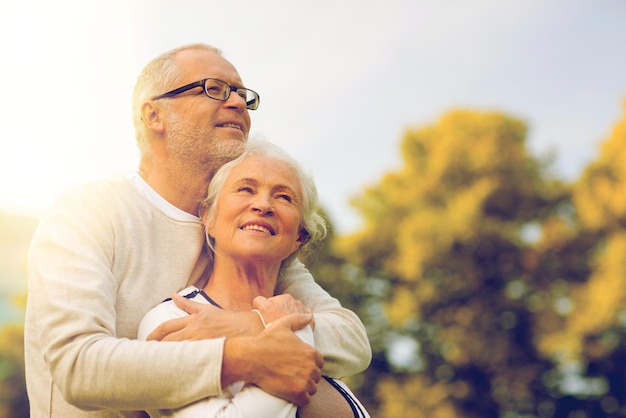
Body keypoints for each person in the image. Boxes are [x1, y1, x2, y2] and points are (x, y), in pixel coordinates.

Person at [24, 43, 371, 418]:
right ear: (154, 114)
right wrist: (242, 357)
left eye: (241, 94)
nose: (238, 102)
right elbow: (78, 366)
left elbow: (350, 339)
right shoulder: (89, 211)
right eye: (214, 89)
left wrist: (247, 325)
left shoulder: (243, 236)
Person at [137, 139, 369, 417]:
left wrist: (265, 325)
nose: (263, 205)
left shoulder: (304, 317)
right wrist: (290, 333)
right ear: (208, 217)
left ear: (299, 237)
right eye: (246, 189)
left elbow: (357, 345)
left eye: (284, 197)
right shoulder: (175, 318)